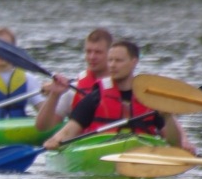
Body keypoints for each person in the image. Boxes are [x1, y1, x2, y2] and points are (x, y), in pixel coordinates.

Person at [41, 40, 192, 151]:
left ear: (134, 62)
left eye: (118, 61)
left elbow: (175, 144)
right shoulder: (95, 98)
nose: (112, 65)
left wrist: (168, 117)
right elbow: (68, 131)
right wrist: (55, 141)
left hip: (142, 153)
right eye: (110, 60)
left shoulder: (150, 100)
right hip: (100, 152)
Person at [34, 28, 113, 132]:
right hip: (83, 145)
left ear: (111, 54)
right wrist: (54, 95)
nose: (92, 57)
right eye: (88, 51)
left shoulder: (124, 86)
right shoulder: (73, 90)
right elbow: (42, 127)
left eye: (98, 52)